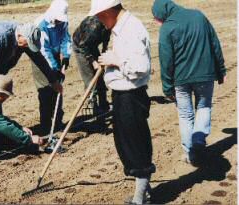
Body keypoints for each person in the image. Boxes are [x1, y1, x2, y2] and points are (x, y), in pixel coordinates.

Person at [89, 0, 155, 204]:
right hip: (122, 95)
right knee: (127, 144)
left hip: (131, 97)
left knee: (135, 145)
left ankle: (139, 199)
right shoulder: (120, 28)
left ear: (108, 10)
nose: (99, 19)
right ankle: (145, 192)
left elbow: (141, 67)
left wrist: (114, 60)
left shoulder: (131, 29)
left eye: (99, 15)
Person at [152, 0, 227, 166]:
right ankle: (199, 140)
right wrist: (221, 70)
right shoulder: (199, 16)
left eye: (158, 18)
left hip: (181, 80)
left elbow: (166, 61)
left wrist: (167, 87)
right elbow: (215, 43)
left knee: (185, 115)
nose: (158, 22)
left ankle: (189, 153)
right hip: (205, 75)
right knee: (204, 106)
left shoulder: (167, 28)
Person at [0, 21, 62, 93]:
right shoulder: (0, 37)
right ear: (20, 36)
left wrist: (53, 80)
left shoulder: (24, 36)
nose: (28, 47)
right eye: (27, 44)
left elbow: (38, 59)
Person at [31, 0, 72, 135]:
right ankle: (46, 126)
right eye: (58, 19)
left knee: (58, 89)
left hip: (54, 56)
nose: (60, 22)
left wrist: (66, 56)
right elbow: (44, 50)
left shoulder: (63, 22)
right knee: (46, 91)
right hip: (40, 58)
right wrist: (54, 70)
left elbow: (66, 39)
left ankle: (58, 122)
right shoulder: (41, 25)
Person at [72, 16, 111, 114]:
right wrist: (93, 62)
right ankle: (93, 106)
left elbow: (106, 41)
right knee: (90, 78)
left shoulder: (109, 25)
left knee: (100, 75)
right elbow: (82, 45)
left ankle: (103, 104)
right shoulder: (94, 26)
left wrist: (103, 56)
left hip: (91, 45)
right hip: (80, 48)